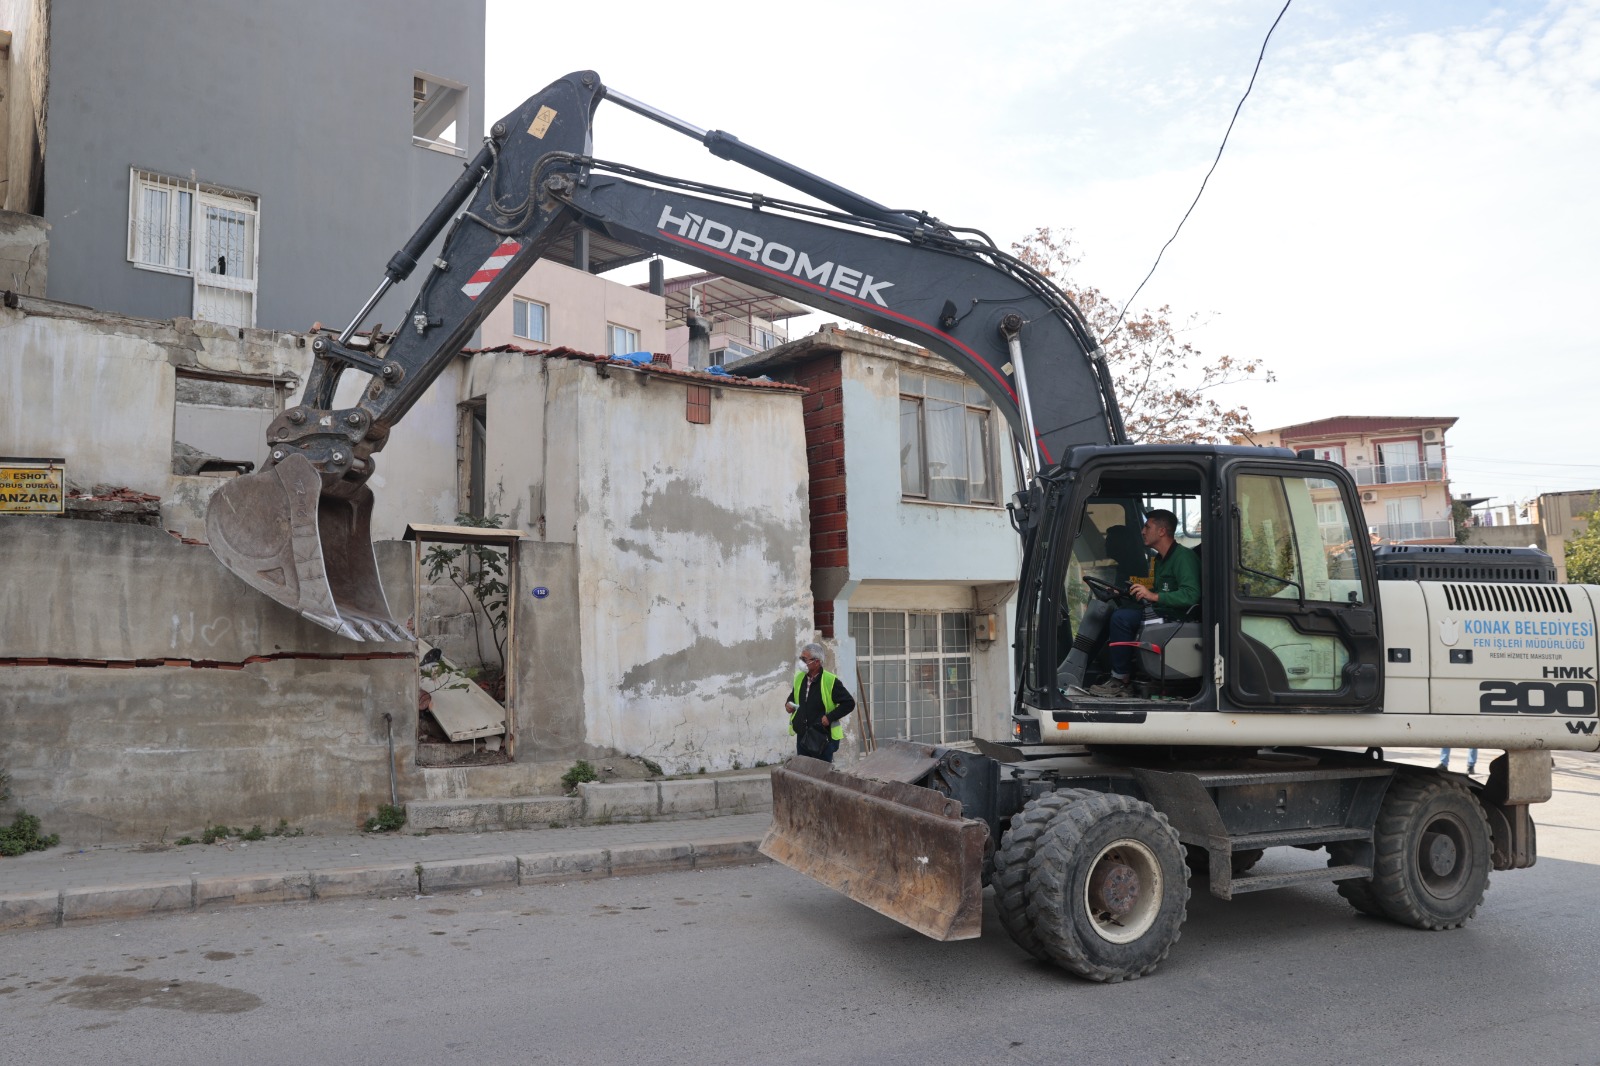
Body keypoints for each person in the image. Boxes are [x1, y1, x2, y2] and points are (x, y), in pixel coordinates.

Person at [1088, 510, 1200, 698]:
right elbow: (1158, 594)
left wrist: (1154, 596)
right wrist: (1127, 593)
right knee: (1123, 611)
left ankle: (1121, 680)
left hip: (1177, 619)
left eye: (1147, 526)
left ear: (1162, 531)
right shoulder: (1160, 560)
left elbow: (1191, 595)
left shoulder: (1183, 557)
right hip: (1163, 613)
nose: (1142, 531)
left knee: (1122, 619)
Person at [786, 643, 856, 762]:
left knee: (820, 776)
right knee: (803, 775)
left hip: (822, 738)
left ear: (817, 662)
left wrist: (830, 717)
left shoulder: (830, 681)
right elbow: (793, 696)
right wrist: (789, 704)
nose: (801, 662)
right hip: (803, 736)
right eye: (801, 658)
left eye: (804, 659)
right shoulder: (799, 677)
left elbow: (849, 703)